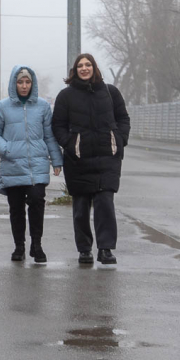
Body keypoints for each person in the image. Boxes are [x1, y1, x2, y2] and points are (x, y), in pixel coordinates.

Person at [51, 53, 130, 265]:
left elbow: (123, 118)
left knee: (105, 203)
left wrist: (119, 140)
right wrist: (70, 144)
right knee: (81, 207)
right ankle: (84, 250)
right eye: (80, 66)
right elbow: (57, 125)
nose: (84, 68)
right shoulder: (65, 96)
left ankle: (105, 249)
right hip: (78, 160)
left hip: (108, 157)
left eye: (88, 65)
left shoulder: (110, 92)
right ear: (75, 70)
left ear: (94, 68)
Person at [0, 66, 63, 263]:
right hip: (13, 165)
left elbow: (49, 136)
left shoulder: (43, 107)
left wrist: (56, 160)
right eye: (20, 82)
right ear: (14, 84)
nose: (24, 86)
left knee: (37, 202)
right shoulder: (2, 107)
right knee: (16, 207)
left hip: (37, 165)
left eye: (27, 82)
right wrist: (7, 148)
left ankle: (36, 245)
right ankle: (19, 246)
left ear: (33, 83)